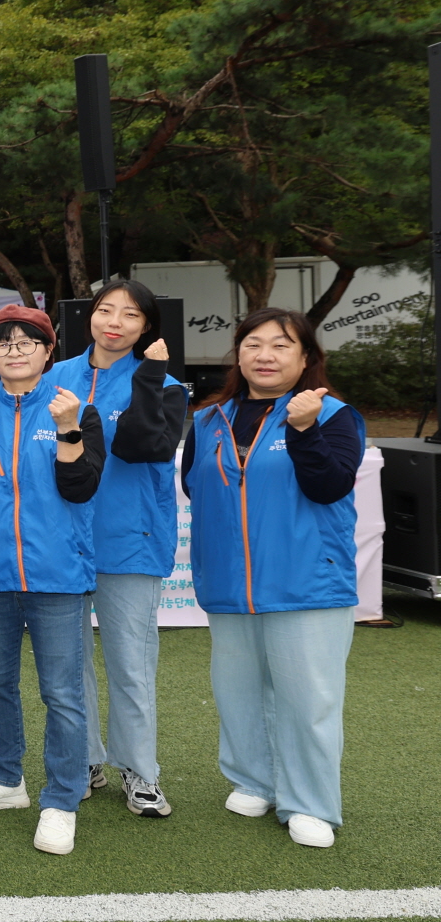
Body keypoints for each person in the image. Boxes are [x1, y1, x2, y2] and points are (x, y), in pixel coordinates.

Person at [183, 309, 364, 848]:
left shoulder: (330, 413)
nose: (265, 355)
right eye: (254, 344)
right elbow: (201, 488)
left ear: (306, 357)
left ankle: (309, 802)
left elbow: (331, 485)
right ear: (237, 354)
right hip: (229, 583)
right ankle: (253, 779)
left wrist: (303, 429)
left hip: (307, 581)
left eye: (281, 346)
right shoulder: (208, 419)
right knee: (237, 690)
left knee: (308, 698)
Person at [0, 303, 105, 856]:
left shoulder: (78, 410)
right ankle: (3, 778)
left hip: (58, 575)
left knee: (62, 693)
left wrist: (68, 431)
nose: (15, 349)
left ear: (48, 350)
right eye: (2, 342)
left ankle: (62, 798)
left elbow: (82, 488)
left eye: (27, 340)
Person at [47, 279, 188, 819]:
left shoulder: (165, 384)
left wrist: (149, 376)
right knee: (68, 665)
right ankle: (83, 760)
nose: (115, 322)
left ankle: (141, 772)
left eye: (130, 315)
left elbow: (143, 445)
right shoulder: (55, 376)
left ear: (146, 326)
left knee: (131, 664)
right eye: (106, 310)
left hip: (130, 539)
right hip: (62, 541)